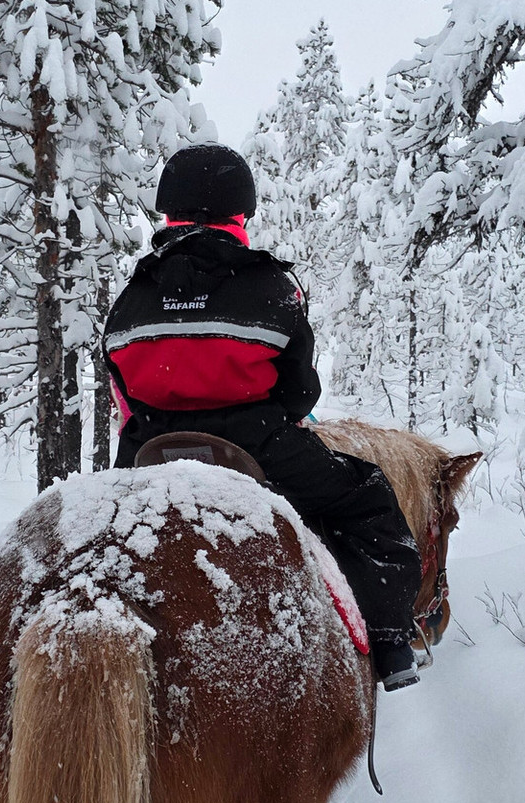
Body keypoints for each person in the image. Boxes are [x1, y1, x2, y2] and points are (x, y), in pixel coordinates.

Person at [103, 143, 422, 690]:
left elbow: (122, 391)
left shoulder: (134, 294)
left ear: (167, 213)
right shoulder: (274, 288)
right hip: (261, 451)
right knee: (367, 499)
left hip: (150, 455)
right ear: (240, 213)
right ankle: (390, 642)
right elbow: (300, 394)